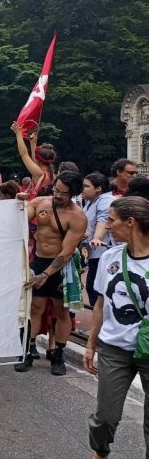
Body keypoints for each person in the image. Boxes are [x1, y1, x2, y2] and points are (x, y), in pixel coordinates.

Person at [84, 197, 149, 459]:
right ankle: (100, 452)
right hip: (114, 349)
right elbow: (100, 304)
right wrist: (91, 344)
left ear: (130, 222)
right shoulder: (110, 257)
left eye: (112, 220)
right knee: (105, 417)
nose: (108, 226)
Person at [15, 171, 89, 375]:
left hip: (61, 267)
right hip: (38, 261)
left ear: (73, 194)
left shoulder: (77, 217)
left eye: (63, 193)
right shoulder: (40, 202)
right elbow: (21, 217)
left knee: (61, 311)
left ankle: (58, 354)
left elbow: (66, 252)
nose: (57, 195)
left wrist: (46, 274)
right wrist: (19, 202)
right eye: (56, 189)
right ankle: (28, 351)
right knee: (35, 307)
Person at [83, 172, 116, 311]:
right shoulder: (91, 201)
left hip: (103, 250)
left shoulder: (105, 200)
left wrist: (97, 237)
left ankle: (101, 323)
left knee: (95, 288)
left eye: (86, 186)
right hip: (94, 252)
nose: (83, 189)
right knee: (93, 287)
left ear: (98, 188)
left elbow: (103, 219)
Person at [13, 121, 56, 195]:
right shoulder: (51, 174)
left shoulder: (39, 173)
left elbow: (24, 154)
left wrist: (18, 133)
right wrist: (33, 143)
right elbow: (35, 159)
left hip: (38, 205)